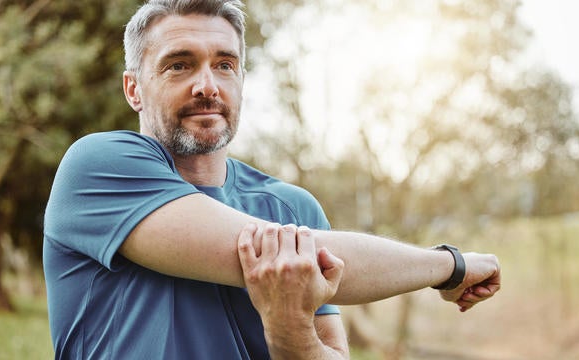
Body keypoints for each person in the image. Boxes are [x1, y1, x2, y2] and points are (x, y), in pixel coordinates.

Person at [42, 0, 501, 359]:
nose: (208, 85)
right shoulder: (97, 167)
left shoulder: (294, 209)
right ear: (133, 88)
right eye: (179, 64)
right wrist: (450, 266)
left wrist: (290, 328)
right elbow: (273, 254)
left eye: (224, 64)